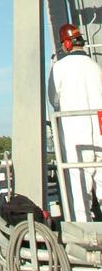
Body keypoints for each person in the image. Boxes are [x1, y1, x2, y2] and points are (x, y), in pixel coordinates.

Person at [48, 22, 102, 221]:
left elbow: (53, 99)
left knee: (79, 186)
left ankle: (85, 234)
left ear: (67, 45)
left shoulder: (60, 68)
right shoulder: (96, 67)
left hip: (74, 133)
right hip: (100, 130)